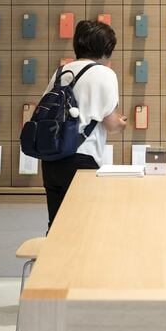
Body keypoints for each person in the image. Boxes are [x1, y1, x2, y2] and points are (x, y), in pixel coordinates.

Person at [40, 20, 127, 229]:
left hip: (52, 158)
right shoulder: (105, 74)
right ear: (106, 50)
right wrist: (121, 123)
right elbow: (111, 123)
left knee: (57, 226)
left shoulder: (62, 72)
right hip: (81, 159)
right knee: (83, 226)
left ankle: (53, 262)